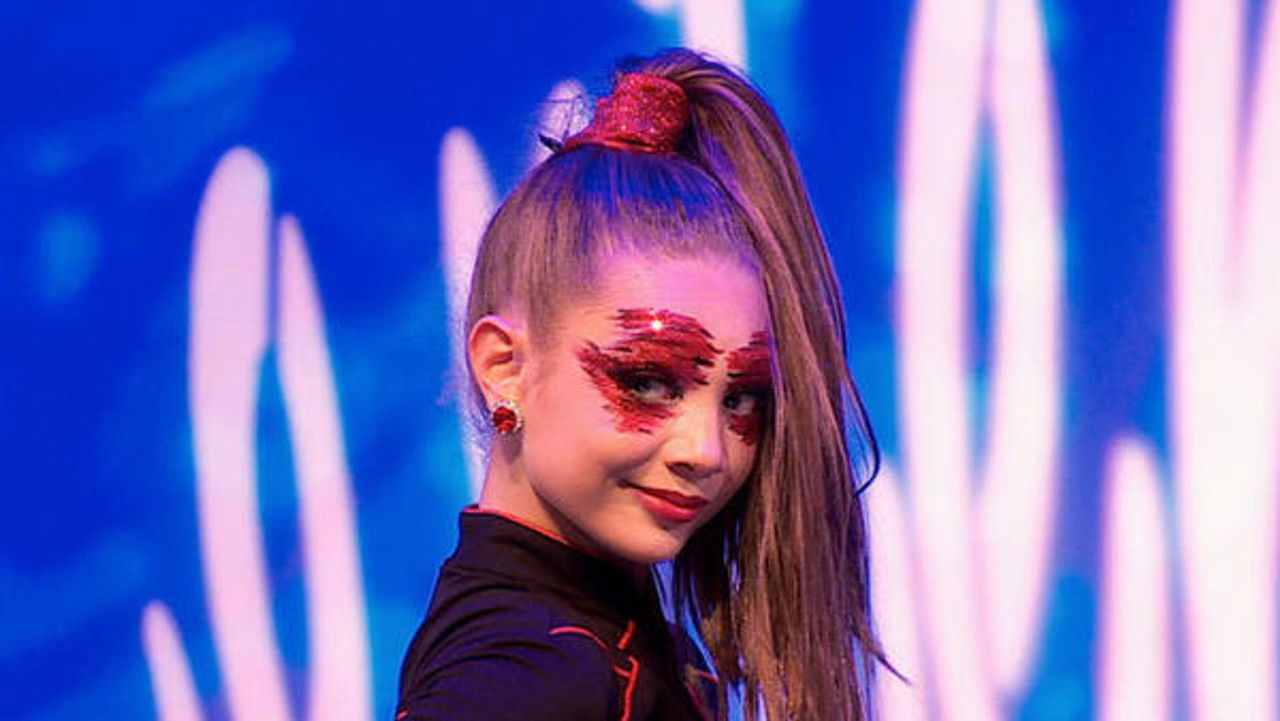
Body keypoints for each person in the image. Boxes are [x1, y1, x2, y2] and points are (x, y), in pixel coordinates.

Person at [397, 48, 895, 721]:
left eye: (742, 397)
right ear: (503, 367)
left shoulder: (593, 642)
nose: (707, 450)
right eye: (648, 381)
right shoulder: (539, 673)